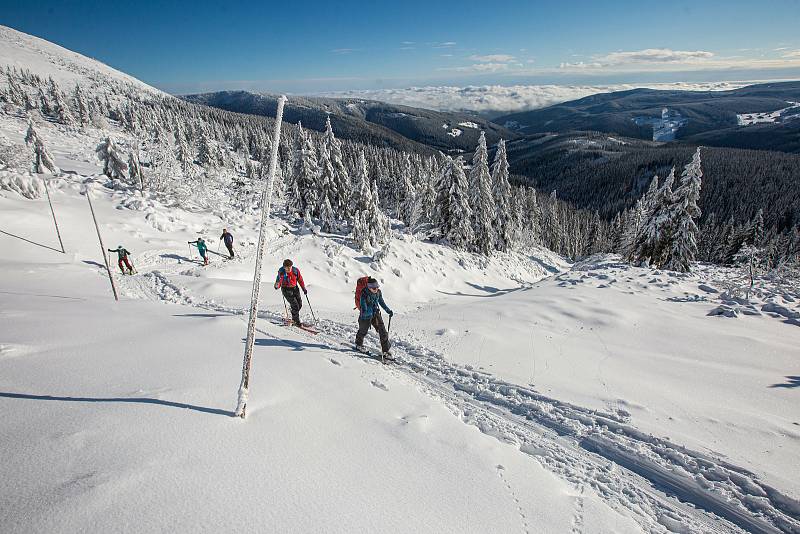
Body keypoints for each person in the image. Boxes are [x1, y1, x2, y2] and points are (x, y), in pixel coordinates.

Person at [355, 277, 393, 358]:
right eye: (373, 287)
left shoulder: (378, 292)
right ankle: (359, 344)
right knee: (363, 331)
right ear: (369, 287)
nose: (375, 289)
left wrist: (388, 310)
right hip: (365, 316)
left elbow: (381, 302)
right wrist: (367, 311)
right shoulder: (364, 294)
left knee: (382, 331)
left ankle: (386, 351)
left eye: (377, 287)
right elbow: (363, 307)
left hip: (375, 314)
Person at [274, 259, 307, 326]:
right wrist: (277, 286)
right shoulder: (282, 272)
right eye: (287, 267)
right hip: (286, 289)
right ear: (284, 267)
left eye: (290, 267)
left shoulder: (295, 271)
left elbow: (300, 280)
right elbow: (278, 281)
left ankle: (293, 311)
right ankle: (295, 321)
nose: (289, 269)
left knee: (299, 304)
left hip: (295, 288)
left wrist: (304, 288)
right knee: (295, 306)